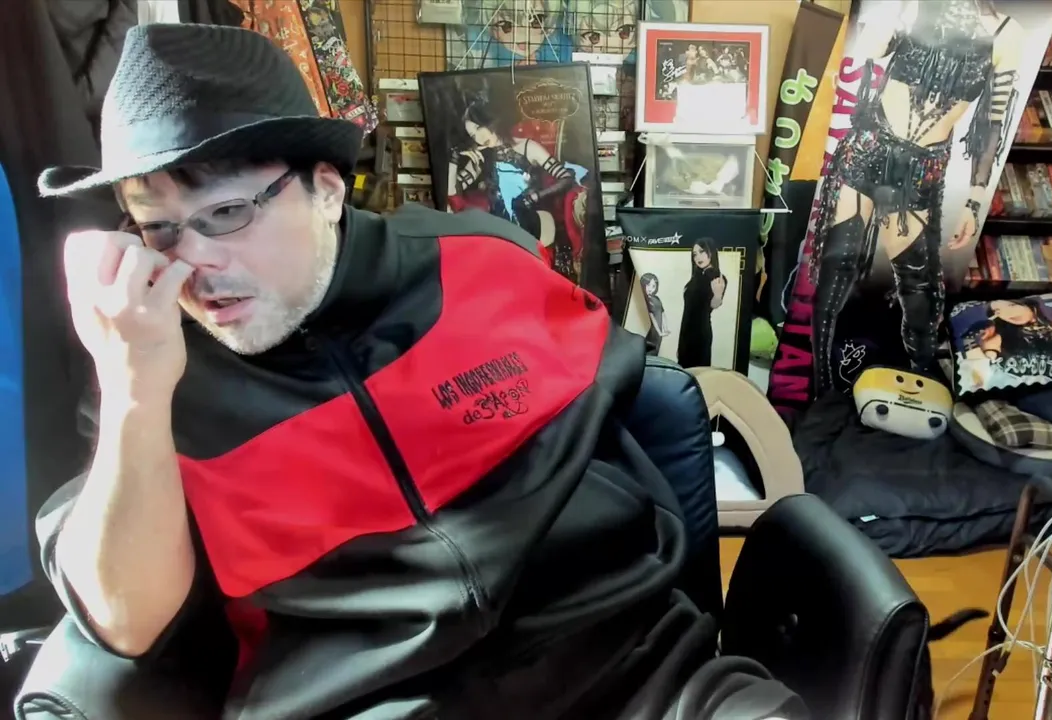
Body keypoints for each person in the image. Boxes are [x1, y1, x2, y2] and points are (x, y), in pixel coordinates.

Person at [33, 23, 807, 720]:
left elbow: (635, 430)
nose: (194, 263)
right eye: (159, 229)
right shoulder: (155, 378)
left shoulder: (482, 267)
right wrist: (135, 388)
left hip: (641, 675)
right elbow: (124, 625)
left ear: (325, 189)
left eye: (227, 214)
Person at [809, 0, 1024, 394]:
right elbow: (870, 49)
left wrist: (974, 202)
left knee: (919, 287)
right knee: (837, 263)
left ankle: (922, 385)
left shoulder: (1005, 32)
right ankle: (822, 387)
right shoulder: (918, 4)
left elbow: (992, 126)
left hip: (920, 169)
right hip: (870, 145)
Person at [447, 101, 588, 281]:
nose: (479, 138)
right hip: (498, 227)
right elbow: (452, 193)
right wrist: (454, 159)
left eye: (479, 129)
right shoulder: (481, 157)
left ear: (491, 121)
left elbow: (566, 177)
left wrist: (536, 196)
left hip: (528, 221)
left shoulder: (527, 147)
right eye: (473, 135)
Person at [677, 239, 726, 368]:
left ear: (711, 252)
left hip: (701, 333)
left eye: (702, 251)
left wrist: (717, 295)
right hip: (686, 331)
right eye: (695, 254)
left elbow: (714, 305)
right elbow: (688, 311)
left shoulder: (717, 277)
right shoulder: (696, 277)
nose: (698, 257)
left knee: (699, 372)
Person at [640, 272, 670, 351]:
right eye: (648, 285)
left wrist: (665, 328)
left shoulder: (656, 298)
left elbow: (663, 313)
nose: (650, 288)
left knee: (657, 349)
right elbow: (652, 317)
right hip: (653, 330)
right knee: (651, 350)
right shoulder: (645, 300)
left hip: (659, 330)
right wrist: (659, 332)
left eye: (653, 286)